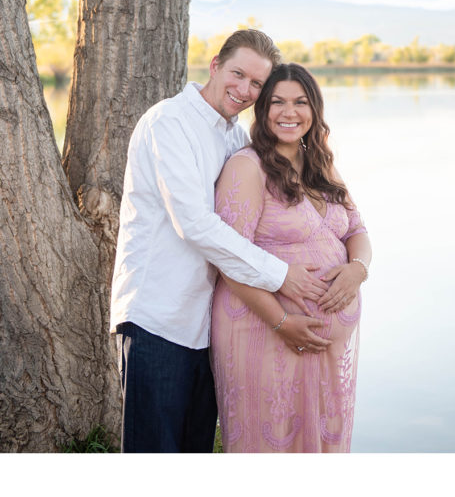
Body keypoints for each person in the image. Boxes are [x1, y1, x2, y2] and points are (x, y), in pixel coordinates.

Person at [109, 30, 330, 452]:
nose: (244, 90)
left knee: (195, 454)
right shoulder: (169, 122)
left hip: (208, 327)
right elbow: (194, 224)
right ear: (214, 65)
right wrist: (282, 276)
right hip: (158, 317)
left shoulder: (234, 137)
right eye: (237, 74)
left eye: (257, 84)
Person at [209, 63, 371, 453]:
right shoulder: (247, 167)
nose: (288, 112)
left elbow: (357, 231)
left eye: (300, 102)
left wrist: (357, 270)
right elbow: (230, 260)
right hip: (262, 331)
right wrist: (282, 322)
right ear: (262, 110)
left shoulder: (320, 163)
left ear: (314, 110)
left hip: (325, 352)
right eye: (277, 102)